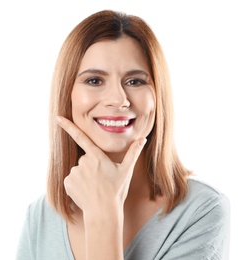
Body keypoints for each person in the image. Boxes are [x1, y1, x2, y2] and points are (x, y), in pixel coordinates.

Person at [16, 10, 230, 260]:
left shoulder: (202, 210)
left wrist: (103, 213)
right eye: (95, 80)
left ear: (157, 97)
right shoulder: (40, 217)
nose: (118, 100)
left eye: (135, 81)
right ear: (67, 96)